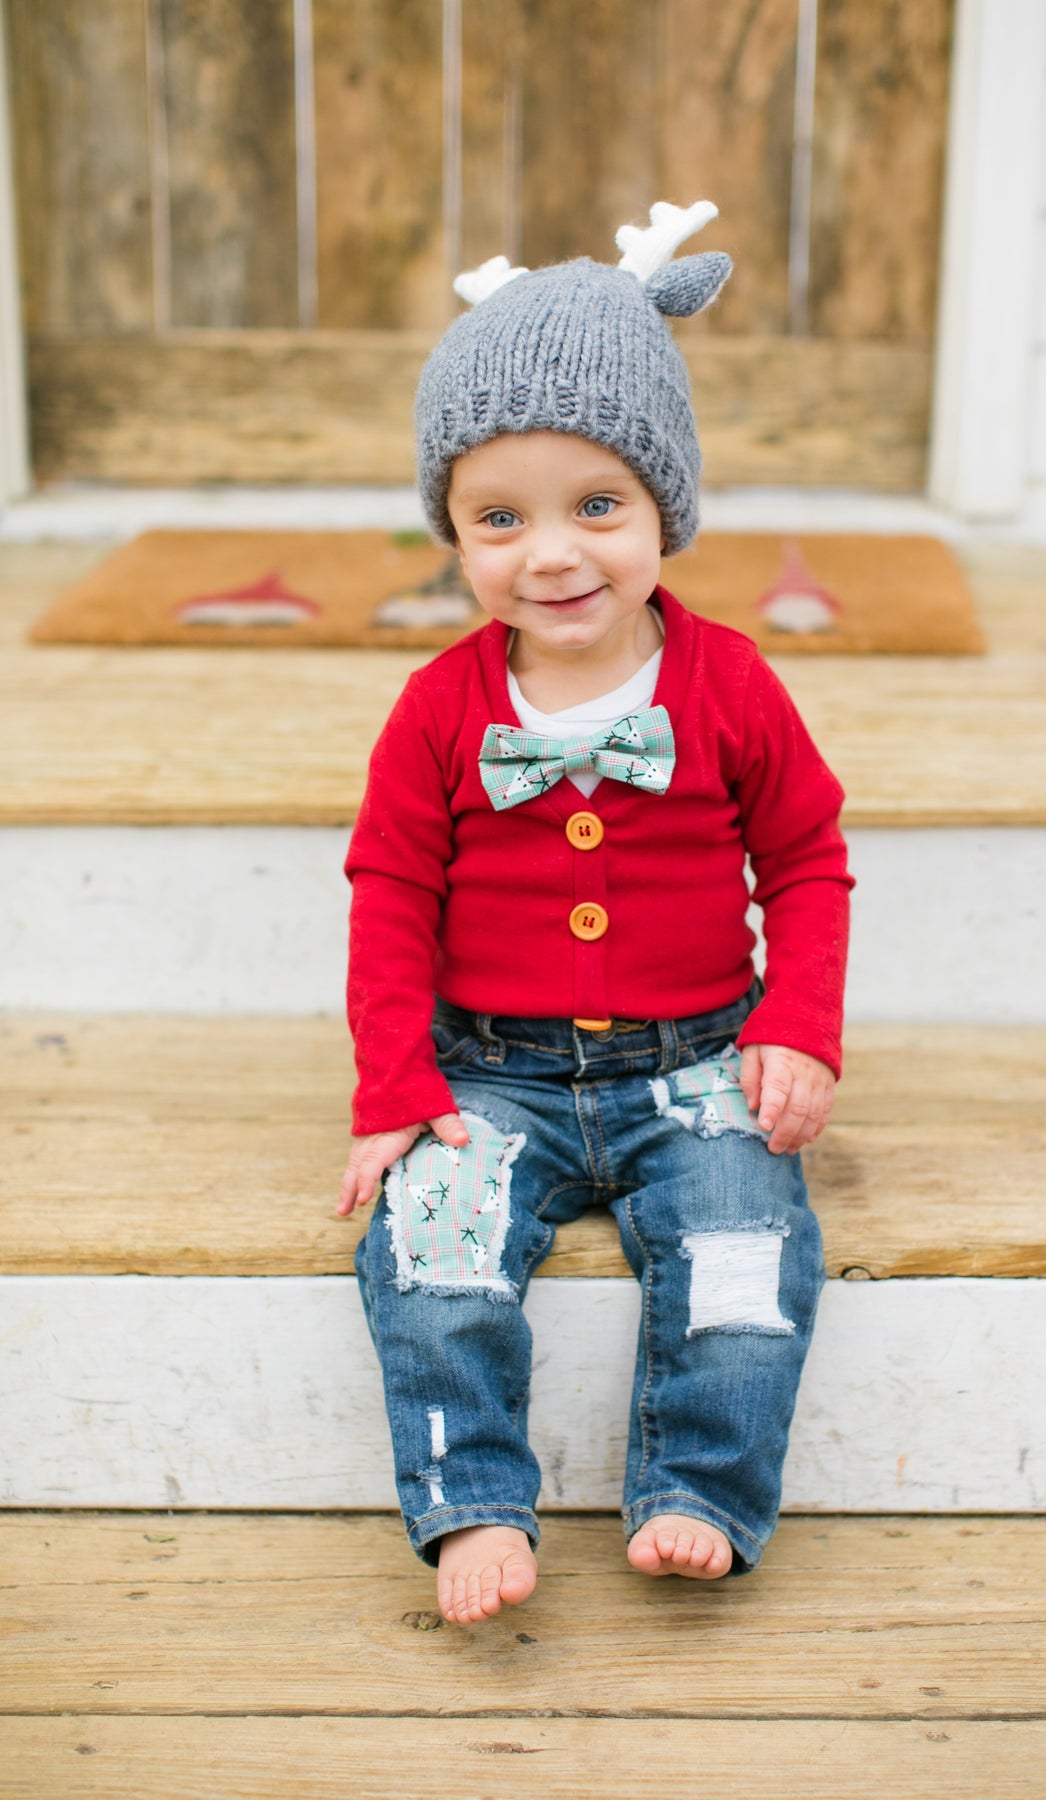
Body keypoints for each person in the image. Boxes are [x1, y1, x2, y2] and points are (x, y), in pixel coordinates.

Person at [337, 202, 854, 1627]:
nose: (552, 555)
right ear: (450, 531)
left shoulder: (732, 685)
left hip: (699, 1065)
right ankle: (473, 1506)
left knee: (746, 1256)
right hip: (486, 1072)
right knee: (428, 1250)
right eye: (500, 518)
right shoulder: (442, 708)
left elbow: (807, 859)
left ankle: (701, 1485)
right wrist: (397, 1087)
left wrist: (797, 1027)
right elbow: (389, 895)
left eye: (597, 507)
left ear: (665, 507)